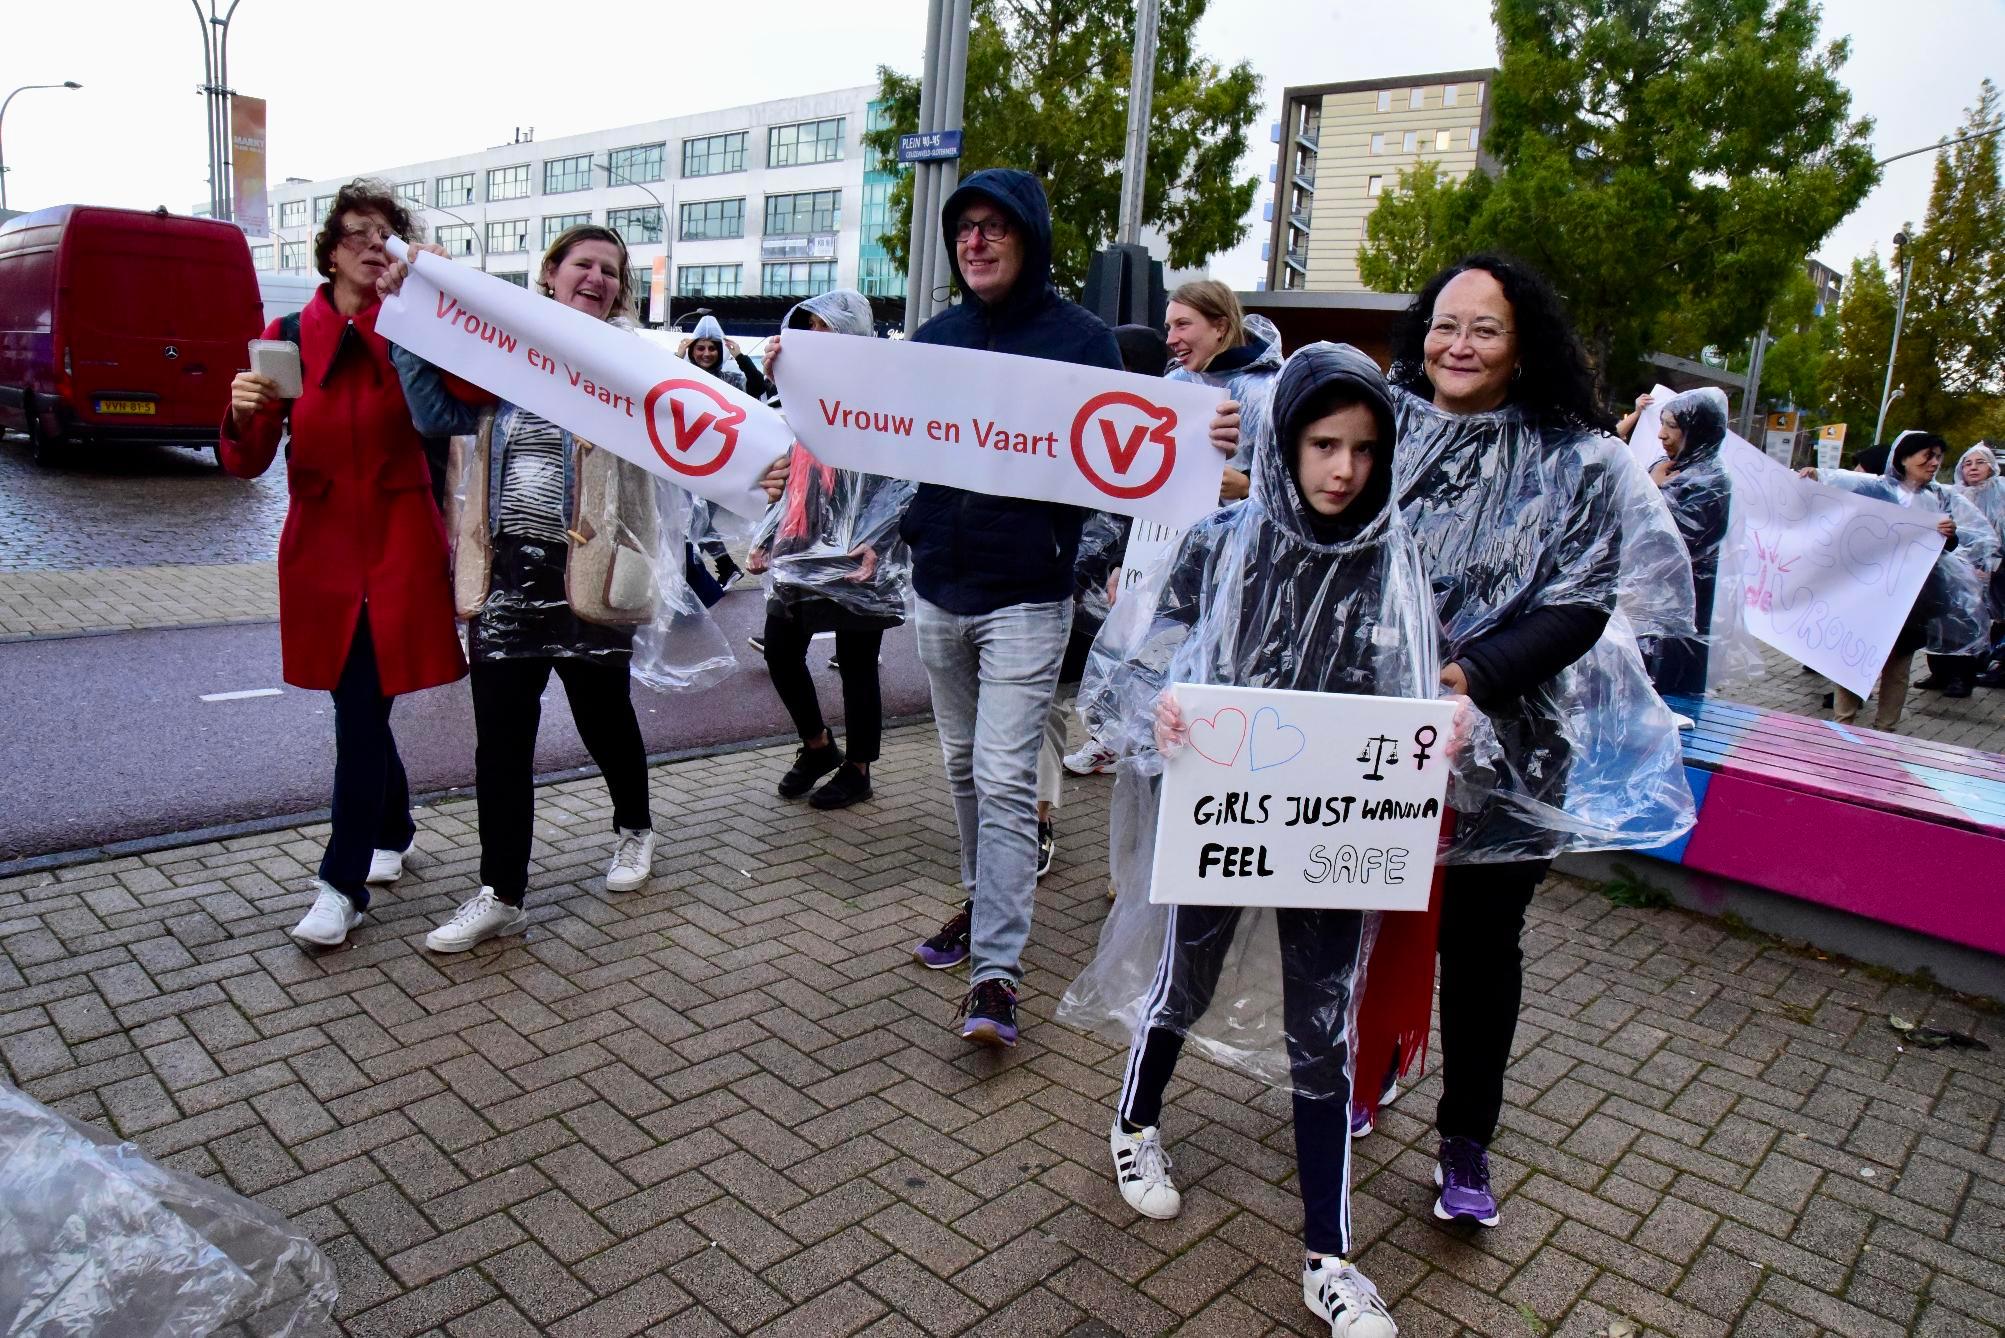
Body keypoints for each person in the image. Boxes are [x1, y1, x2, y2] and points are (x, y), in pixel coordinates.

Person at [1213, 255, 1692, 1227]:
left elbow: (1581, 606)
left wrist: (1464, 678)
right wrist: (1235, 444)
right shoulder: (1387, 427)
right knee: (1352, 922)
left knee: (1480, 948)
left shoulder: (1575, 460)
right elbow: (1309, 508)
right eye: (1443, 323)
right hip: (1370, 733)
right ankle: (1356, 1079)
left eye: (1483, 327)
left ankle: (1466, 1141)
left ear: (1524, 345)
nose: (1457, 344)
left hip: (1506, 743)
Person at [1063, 343, 1450, 1338]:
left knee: (1323, 1025)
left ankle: (1329, 1255)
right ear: (1285, 441)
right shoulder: (1222, 540)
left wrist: (1438, 729)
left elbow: (1414, 683)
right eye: (1323, 444)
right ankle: (1136, 1122)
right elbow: (1144, 653)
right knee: (1184, 979)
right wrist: (1156, 708)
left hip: (1331, 826)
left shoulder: (1393, 556)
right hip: (1226, 808)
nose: (1344, 471)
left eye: (1365, 449)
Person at [382, 225, 785, 953]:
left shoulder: (633, 371)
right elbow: (432, 414)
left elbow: (705, 440)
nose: (596, 278)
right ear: (550, 274)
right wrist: (414, 311)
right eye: (582, 265)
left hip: (591, 575)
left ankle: (634, 828)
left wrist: (767, 461)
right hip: (504, 577)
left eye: (610, 270)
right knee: (501, 747)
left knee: (604, 721)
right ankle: (501, 893)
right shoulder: (496, 352)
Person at [896, 168, 1126, 1049]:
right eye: (965, 229)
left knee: (1000, 775)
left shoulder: (1081, 341)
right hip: (938, 586)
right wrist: (802, 377)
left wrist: (1078, 561)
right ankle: (977, 898)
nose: (976, 242)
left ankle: (997, 972)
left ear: (1029, 238)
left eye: (996, 227)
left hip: (1027, 596)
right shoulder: (937, 336)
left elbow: (1126, 463)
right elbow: (875, 432)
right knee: (960, 765)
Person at [222, 180, 466, 949]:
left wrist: (441, 301)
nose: (371, 244)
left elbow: (466, 402)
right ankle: (392, 824)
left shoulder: (417, 332)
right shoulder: (288, 333)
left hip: (399, 546)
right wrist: (239, 412)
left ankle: (341, 882)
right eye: (356, 232)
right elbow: (248, 460)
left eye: (386, 233)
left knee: (361, 709)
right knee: (357, 703)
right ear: (330, 250)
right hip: (322, 556)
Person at [747, 289, 915, 811]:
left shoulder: (886, 391)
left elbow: (906, 474)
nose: (816, 337)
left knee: (856, 658)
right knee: (780, 646)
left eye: (826, 327)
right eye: (809, 326)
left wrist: (879, 537)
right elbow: (789, 465)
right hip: (804, 537)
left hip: (862, 544)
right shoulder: (801, 390)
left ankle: (859, 768)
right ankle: (817, 744)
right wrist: (766, 534)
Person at [1807, 432, 1994, 720]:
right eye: (1927, 455)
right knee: (1853, 663)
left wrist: (1949, 535)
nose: (1934, 463)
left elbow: (1956, 543)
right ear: (1904, 458)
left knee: (1897, 669)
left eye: (1938, 457)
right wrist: (1815, 474)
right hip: (1870, 594)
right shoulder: (1876, 490)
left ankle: (1886, 732)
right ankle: (1844, 726)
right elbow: (1839, 489)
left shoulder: (1939, 497)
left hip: (1914, 599)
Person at [1647, 388, 1733, 699]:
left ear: (1695, 430)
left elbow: (1655, 536)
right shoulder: (1670, 468)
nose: (1661, 435)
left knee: (1670, 693)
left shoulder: (1709, 480)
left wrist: (1650, 488)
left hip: (1679, 612)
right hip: (1652, 609)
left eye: (1671, 425)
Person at [1164, 281, 1283, 505]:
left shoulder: (1266, 392)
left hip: (1243, 535)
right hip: (1171, 532)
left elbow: (1294, 478)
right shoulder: (1173, 383)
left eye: (1182, 324)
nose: (1170, 339)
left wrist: (1246, 485)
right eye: (1168, 327)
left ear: (1220, 327)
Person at [681, 315, 749, 589]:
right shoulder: (683, 375)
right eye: (700, 348)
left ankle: (700, 580)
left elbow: (757, 392)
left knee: (694, 519)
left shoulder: (731, 378)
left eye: (712, 348)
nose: (706, 353)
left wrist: (742, 358)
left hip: (717, 462)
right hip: (684, 459)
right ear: (691, 350)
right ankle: (723, 569)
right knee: (691, 518)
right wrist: (675, 358)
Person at [1953, 444, 2005, 686]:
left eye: (1980, 462)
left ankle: (1987, 669)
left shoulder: (2001, 492)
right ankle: (1948, 673)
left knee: (1995, 618)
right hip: (1962, 569)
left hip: (1998, 570)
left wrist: (1993, 565)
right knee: (1960, 619)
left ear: (1991, 466)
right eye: (1967, 463)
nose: (1973, 467)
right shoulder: (1955, 494)